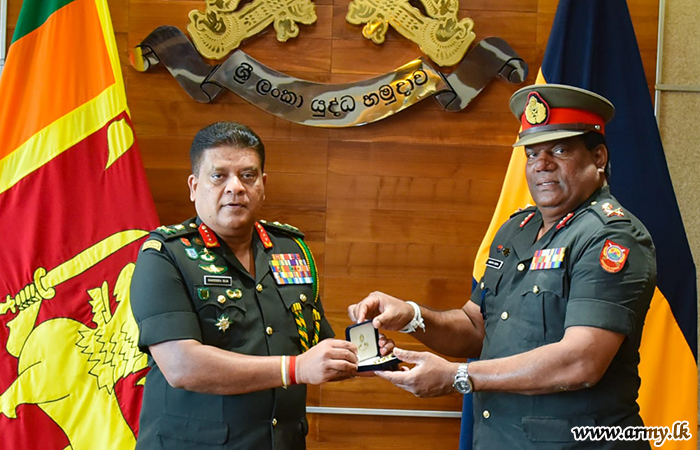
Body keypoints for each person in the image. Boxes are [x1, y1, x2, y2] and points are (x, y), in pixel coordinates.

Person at [348, 84, 656, 449]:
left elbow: (581, 361)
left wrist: (459, 376)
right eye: (532, 153)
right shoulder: (516, 230)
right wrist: (411, 316)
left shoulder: (611, 237)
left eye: (559, 150)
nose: (541, 164)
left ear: (599, 157)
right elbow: (476, 326)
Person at [130, 122, 358, 450]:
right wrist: (295, 369)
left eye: (248, 175)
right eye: (219, 176)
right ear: (194, 186)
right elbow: (181, 366)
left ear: (263, 184)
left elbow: (314, 345)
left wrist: (364, 354)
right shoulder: (165, 255)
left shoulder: (291, 250)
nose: (235, 187)